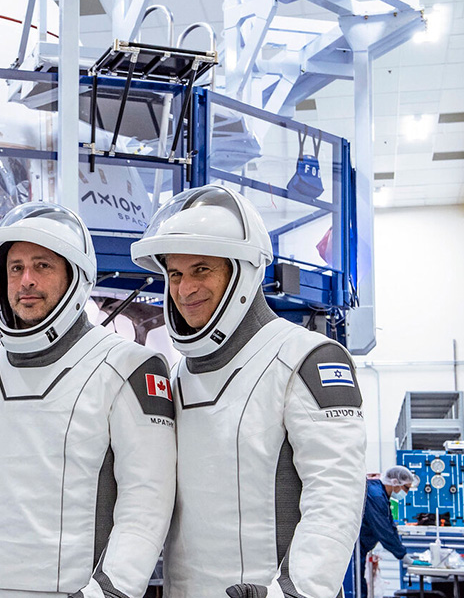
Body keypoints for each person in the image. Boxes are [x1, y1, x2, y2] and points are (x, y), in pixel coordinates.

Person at [130, 184, 367, 598]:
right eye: (175, 274)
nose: (185, 289)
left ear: (242, 272)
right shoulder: (177, 373)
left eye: (202, 269)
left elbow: (335, 494)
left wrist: (297, 592)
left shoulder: (306, 357)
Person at [0, 201, 177, 598]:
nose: (26, 280)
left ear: (75, 277)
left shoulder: (127, 366)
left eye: (42, 266)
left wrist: (111, 589)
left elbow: (148, 502)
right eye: (15, 268)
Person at [358, 467, 415, 598]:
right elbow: (383, 529)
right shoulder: (375, 495)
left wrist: (403, 552)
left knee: (361, 588)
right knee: (357, 590)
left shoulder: (382, 494)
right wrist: (402, 554)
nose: (406, 492)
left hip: (361, 549)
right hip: (354, 550)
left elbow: (390, 525)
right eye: (406, 488)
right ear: (395, 482)